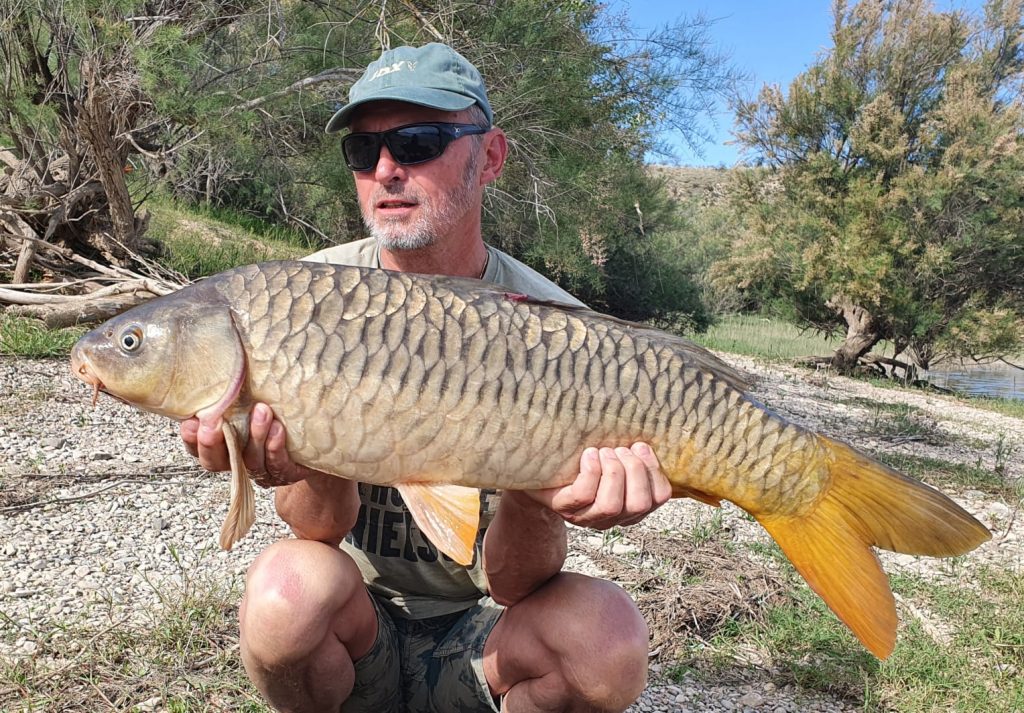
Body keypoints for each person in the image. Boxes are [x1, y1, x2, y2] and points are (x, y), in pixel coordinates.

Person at [180, 43, 672, 713]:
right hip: (361, 621)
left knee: (605, 642)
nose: (386, 169)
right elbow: (318, 534)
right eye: (363, 150)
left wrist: (539, 495)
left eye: (418, 142)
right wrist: (303, 457)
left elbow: (515, 584)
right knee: (284, 595)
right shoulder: (298, 303)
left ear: (490, 156)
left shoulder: (558, 332)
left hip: (485, 632)